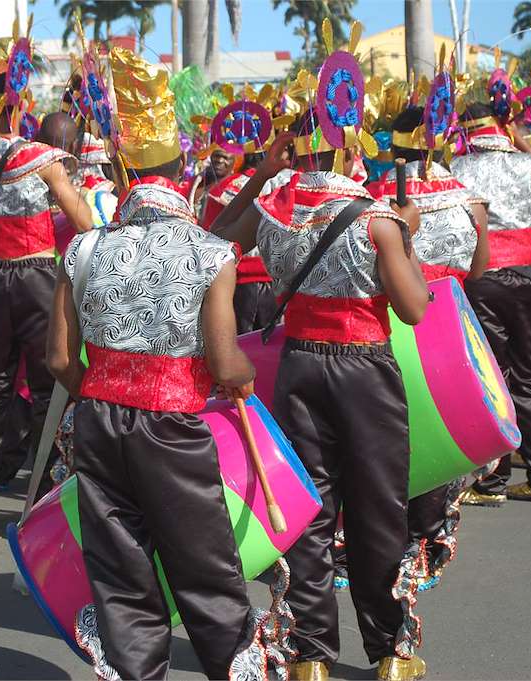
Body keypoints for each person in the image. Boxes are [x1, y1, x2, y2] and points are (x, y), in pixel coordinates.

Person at [46, 46, 289, 680]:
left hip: (98, 422)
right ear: (184, 171)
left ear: (125, 172)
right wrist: (240, 376)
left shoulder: (83, 249)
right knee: (205, 572)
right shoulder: (210, 253)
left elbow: (56, 359)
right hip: (172, 428)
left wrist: (100, 388)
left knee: (121, 576)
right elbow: (225, 362)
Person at [212, 79, 429, 679]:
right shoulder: (378, 221)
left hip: (301, 364)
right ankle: (388, 651)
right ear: (348, 145)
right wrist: (407, 236)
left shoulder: (275, 215)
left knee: (310, 508)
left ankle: (310, 656)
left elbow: (221, 237)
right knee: (377, 510)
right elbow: (414, 309)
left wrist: (261, 173)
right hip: (365, 373)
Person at [0, 40, 93, 530]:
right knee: (49, 385)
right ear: (20, 103)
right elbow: (84, 218)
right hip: (36, 278)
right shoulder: (40, 157)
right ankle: (47, 497)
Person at [365, 103, 490, 591]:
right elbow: (479, 270)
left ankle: (382, 542)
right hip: (453, 322)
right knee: (447, 427)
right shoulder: (469, 199)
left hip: (396, 322)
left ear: (394, 146)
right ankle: (427, 540)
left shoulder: (374, 198)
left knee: (397, 432)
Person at [450, 102, 531, 506]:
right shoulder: (530, 164)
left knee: (491, 374)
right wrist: (524, 137)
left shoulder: (459, 168)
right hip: (529, 277)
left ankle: (493, 481)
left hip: (485, 280)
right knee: (528, 374)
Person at [201, 152, 278, 333]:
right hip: (275, 283)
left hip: (237, 282)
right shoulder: (284, 185)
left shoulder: (222, 188)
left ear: (239, 159)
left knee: (242, 346)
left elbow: (210, 236)